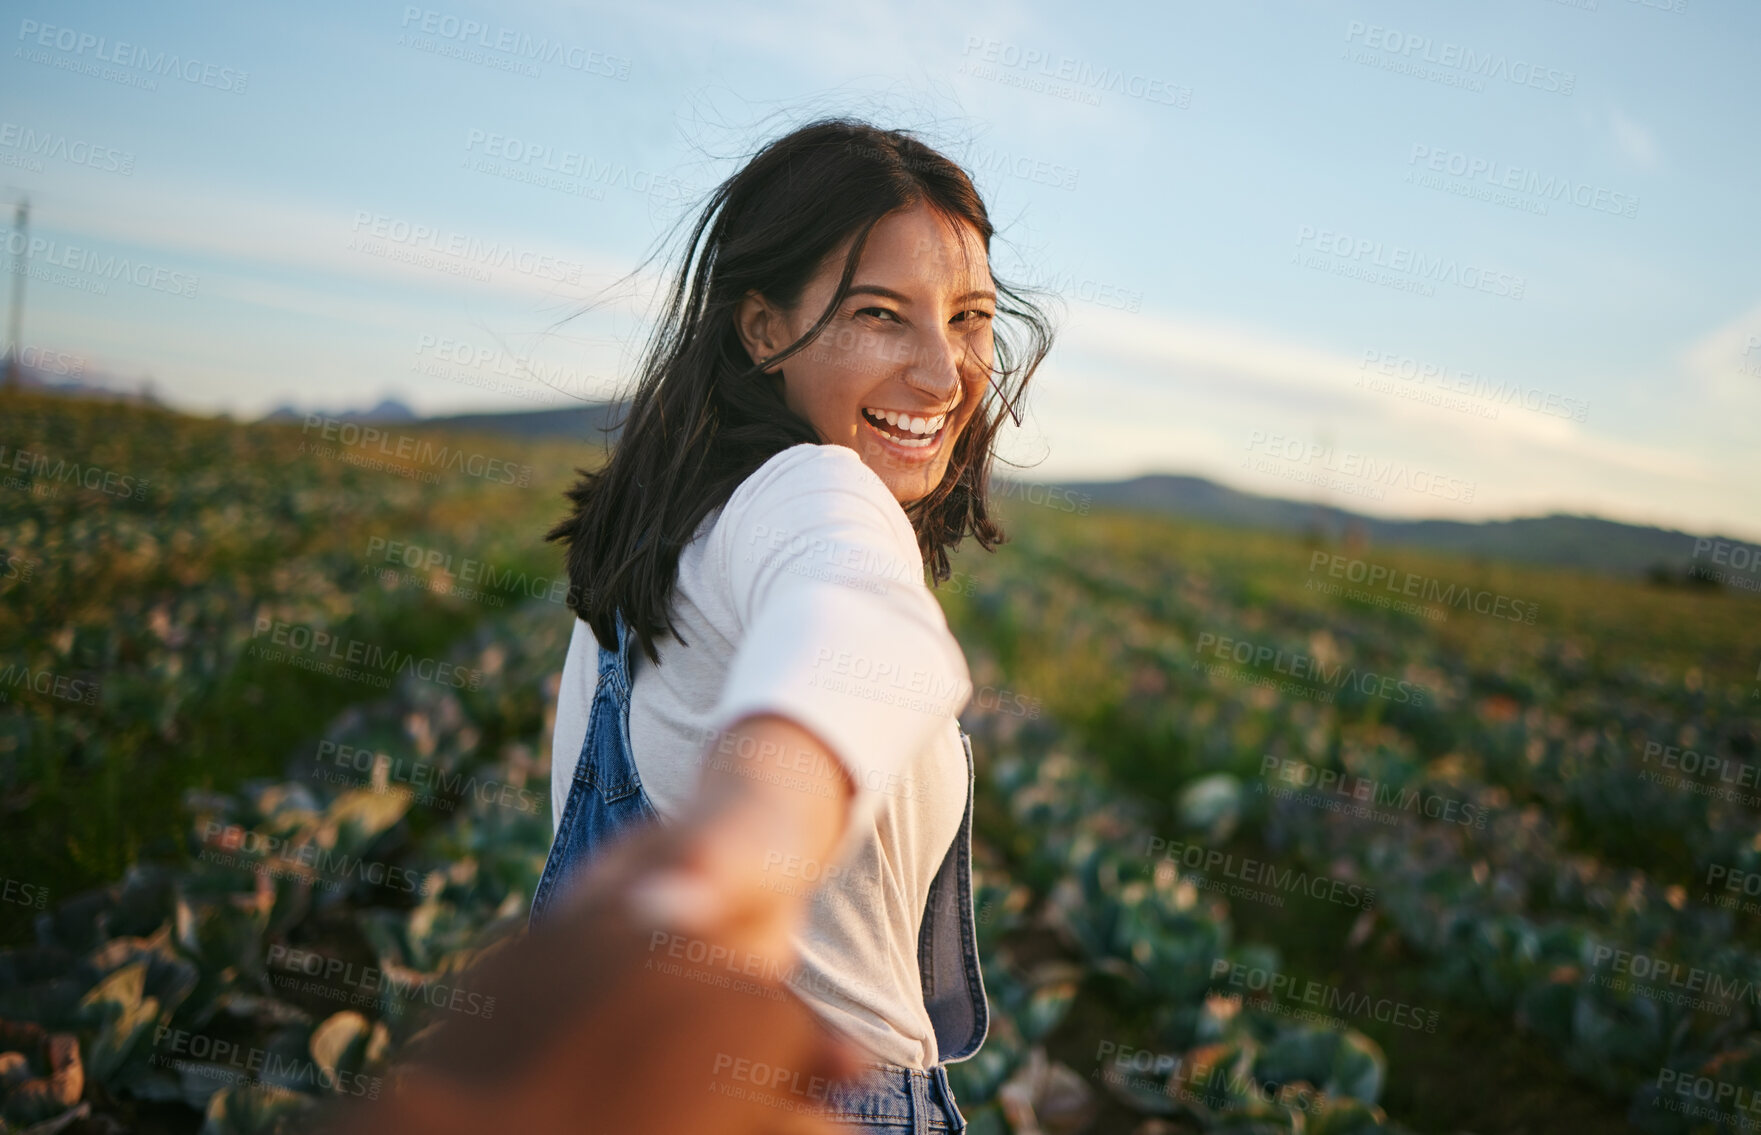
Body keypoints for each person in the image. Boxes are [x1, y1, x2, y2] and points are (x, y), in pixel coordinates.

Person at [327, 117, 1054, 1135]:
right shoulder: (814, 492)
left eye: (970, 317)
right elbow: (863, 636)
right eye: (882, 315)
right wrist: (725, 867)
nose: (945, 374)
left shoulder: (663, 547)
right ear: (760, 328)